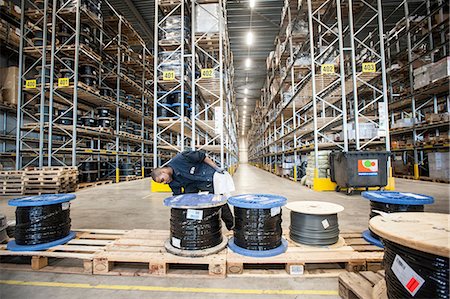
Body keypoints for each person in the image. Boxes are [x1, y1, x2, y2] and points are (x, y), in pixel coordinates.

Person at [151, 150, 235, 230]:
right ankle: (199, 228)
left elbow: (202, 156)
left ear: (163, 171)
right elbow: (178, 196)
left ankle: (231, 226)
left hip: (207, 178)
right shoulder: (171, 181)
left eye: (162, 180)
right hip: (192, 187)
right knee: (190, 205)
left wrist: (216, 167)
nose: (164, 183)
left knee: (218, 201)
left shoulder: (182, 158)